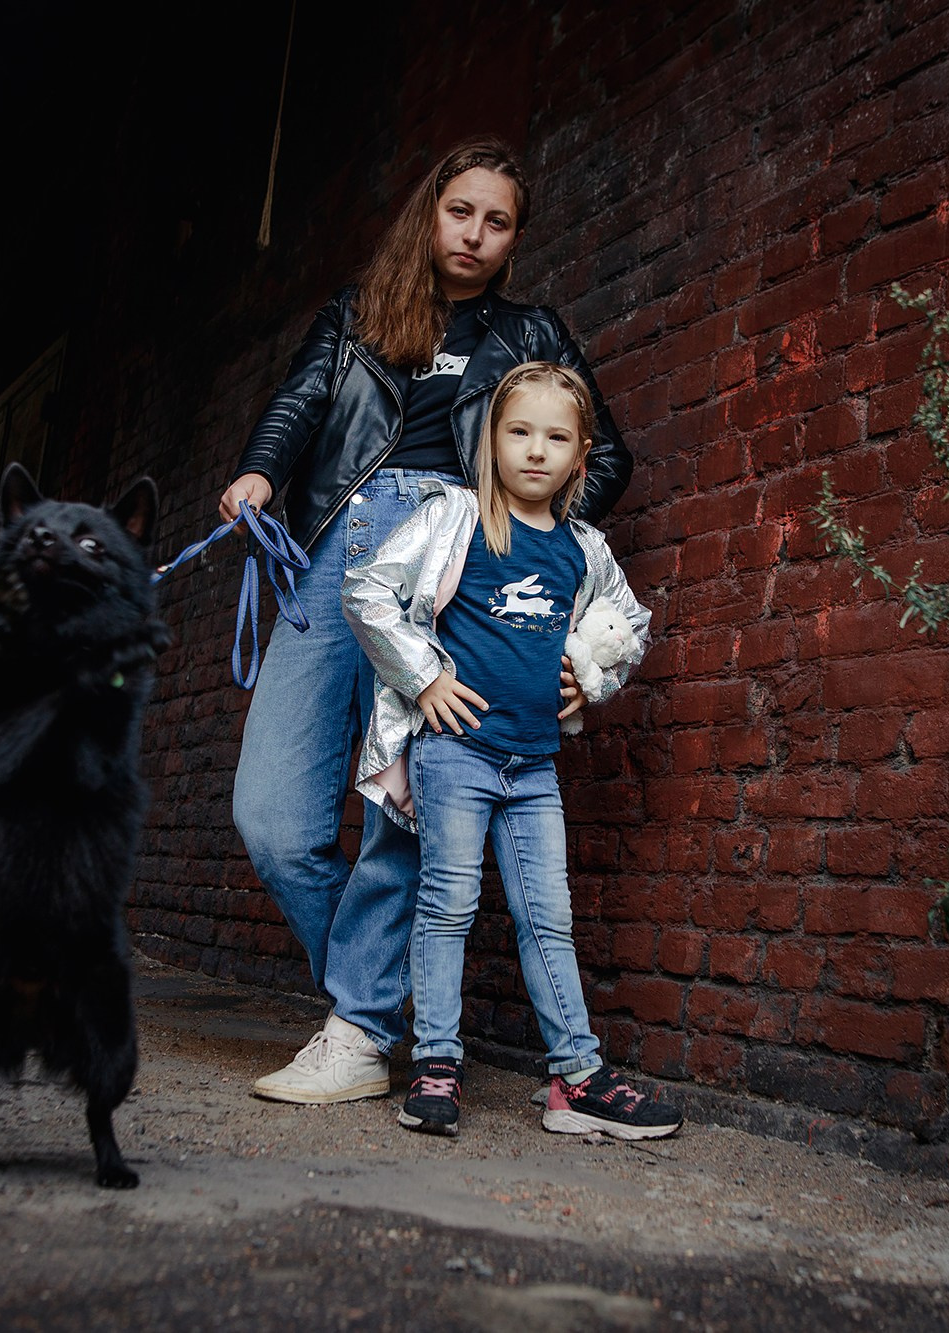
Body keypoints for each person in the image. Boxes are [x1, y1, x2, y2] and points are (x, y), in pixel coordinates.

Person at [222, 138, 633, 1104]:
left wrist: (522, 554)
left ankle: (359, 1031)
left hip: (453, 562)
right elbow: (299, 404)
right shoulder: (358, 313)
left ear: (514, 238)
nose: (475, 235)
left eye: (497, 222)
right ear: (430, 212)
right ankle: (386, 999)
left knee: (396, 812)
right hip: (336, 559)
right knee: (272, 816)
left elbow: (605, 458)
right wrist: (259, 471)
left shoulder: (533, 335)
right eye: (461, 212)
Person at [341, 361, 682, 1140]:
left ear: (580, 454)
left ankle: (578, 1078)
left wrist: (589, 682)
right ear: (490, 439)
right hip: (454, 755)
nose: (535, 450)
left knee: (547, 918)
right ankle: (435, 1063)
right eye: (518, 431)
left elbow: (630, 629)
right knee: (449, 903)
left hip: (532, 766)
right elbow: (366, 590)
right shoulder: (456, 518)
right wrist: (424, 678)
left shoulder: (583, 550)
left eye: (555, 437)